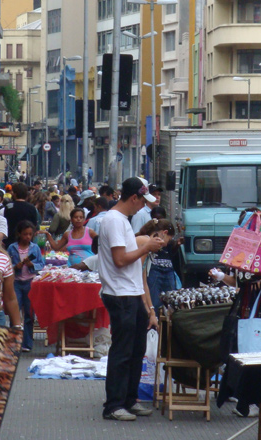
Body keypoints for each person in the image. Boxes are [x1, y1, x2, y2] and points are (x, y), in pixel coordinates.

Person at [98, 177, 165, 421]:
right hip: (120, 293)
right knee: (123, 351)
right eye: (142, 201)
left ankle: (129, 399)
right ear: (134, 198)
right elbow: (120, 259)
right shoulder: (114, 221)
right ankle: (114, 405)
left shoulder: (122, 221)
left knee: (136, 350)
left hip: (131, 292)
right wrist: (146, 248)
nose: (142, 207)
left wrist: (146, 305)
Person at [7, 221, 44, 352]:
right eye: (25, 234)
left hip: (29, 282)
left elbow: (41, 263)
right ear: (19, 234)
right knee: (14, 312)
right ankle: (13, 342)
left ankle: (27, 343)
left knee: (29, 313)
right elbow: (6, 265)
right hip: (16, 282)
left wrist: (32, 265)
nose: (27, 237)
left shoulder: (35, 248)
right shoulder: (12, 248)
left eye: (30, 234)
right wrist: (15, 267)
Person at [140, 219, 178, 310]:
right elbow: (140, 272)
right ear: (164, 233)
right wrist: (147, 305)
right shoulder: (145, 241)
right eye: (168, 240)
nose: (165, 245)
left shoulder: (145, 241)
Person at [3, 183, 40, 247]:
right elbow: (34, 225)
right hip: (27, 242)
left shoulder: (9, 206)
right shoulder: (31, 208)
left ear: (14, 194)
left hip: (10, 241)